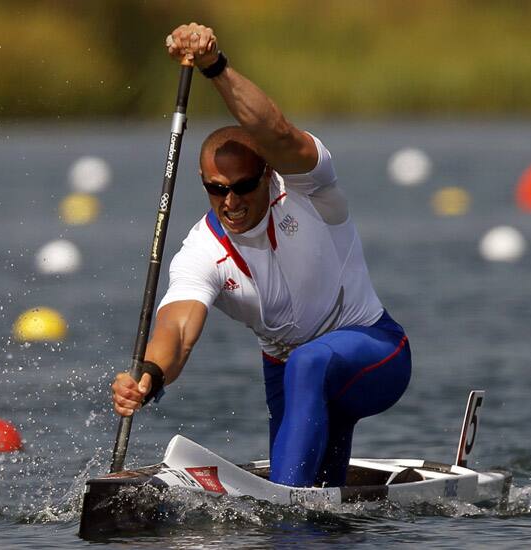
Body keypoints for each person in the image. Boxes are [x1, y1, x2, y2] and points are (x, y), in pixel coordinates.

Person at [111, 22, 411, 488]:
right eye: (216, 189)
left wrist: (214, 66)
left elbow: (275, 129)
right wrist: (149, 374)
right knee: (315, 509)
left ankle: (283, 505)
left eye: (243, 186)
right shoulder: (201, 251)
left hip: (374, 353)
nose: (230, 201)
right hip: (288, 377)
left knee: (309, 364)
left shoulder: (311, 188)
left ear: (268, 173)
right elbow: (178, 328)